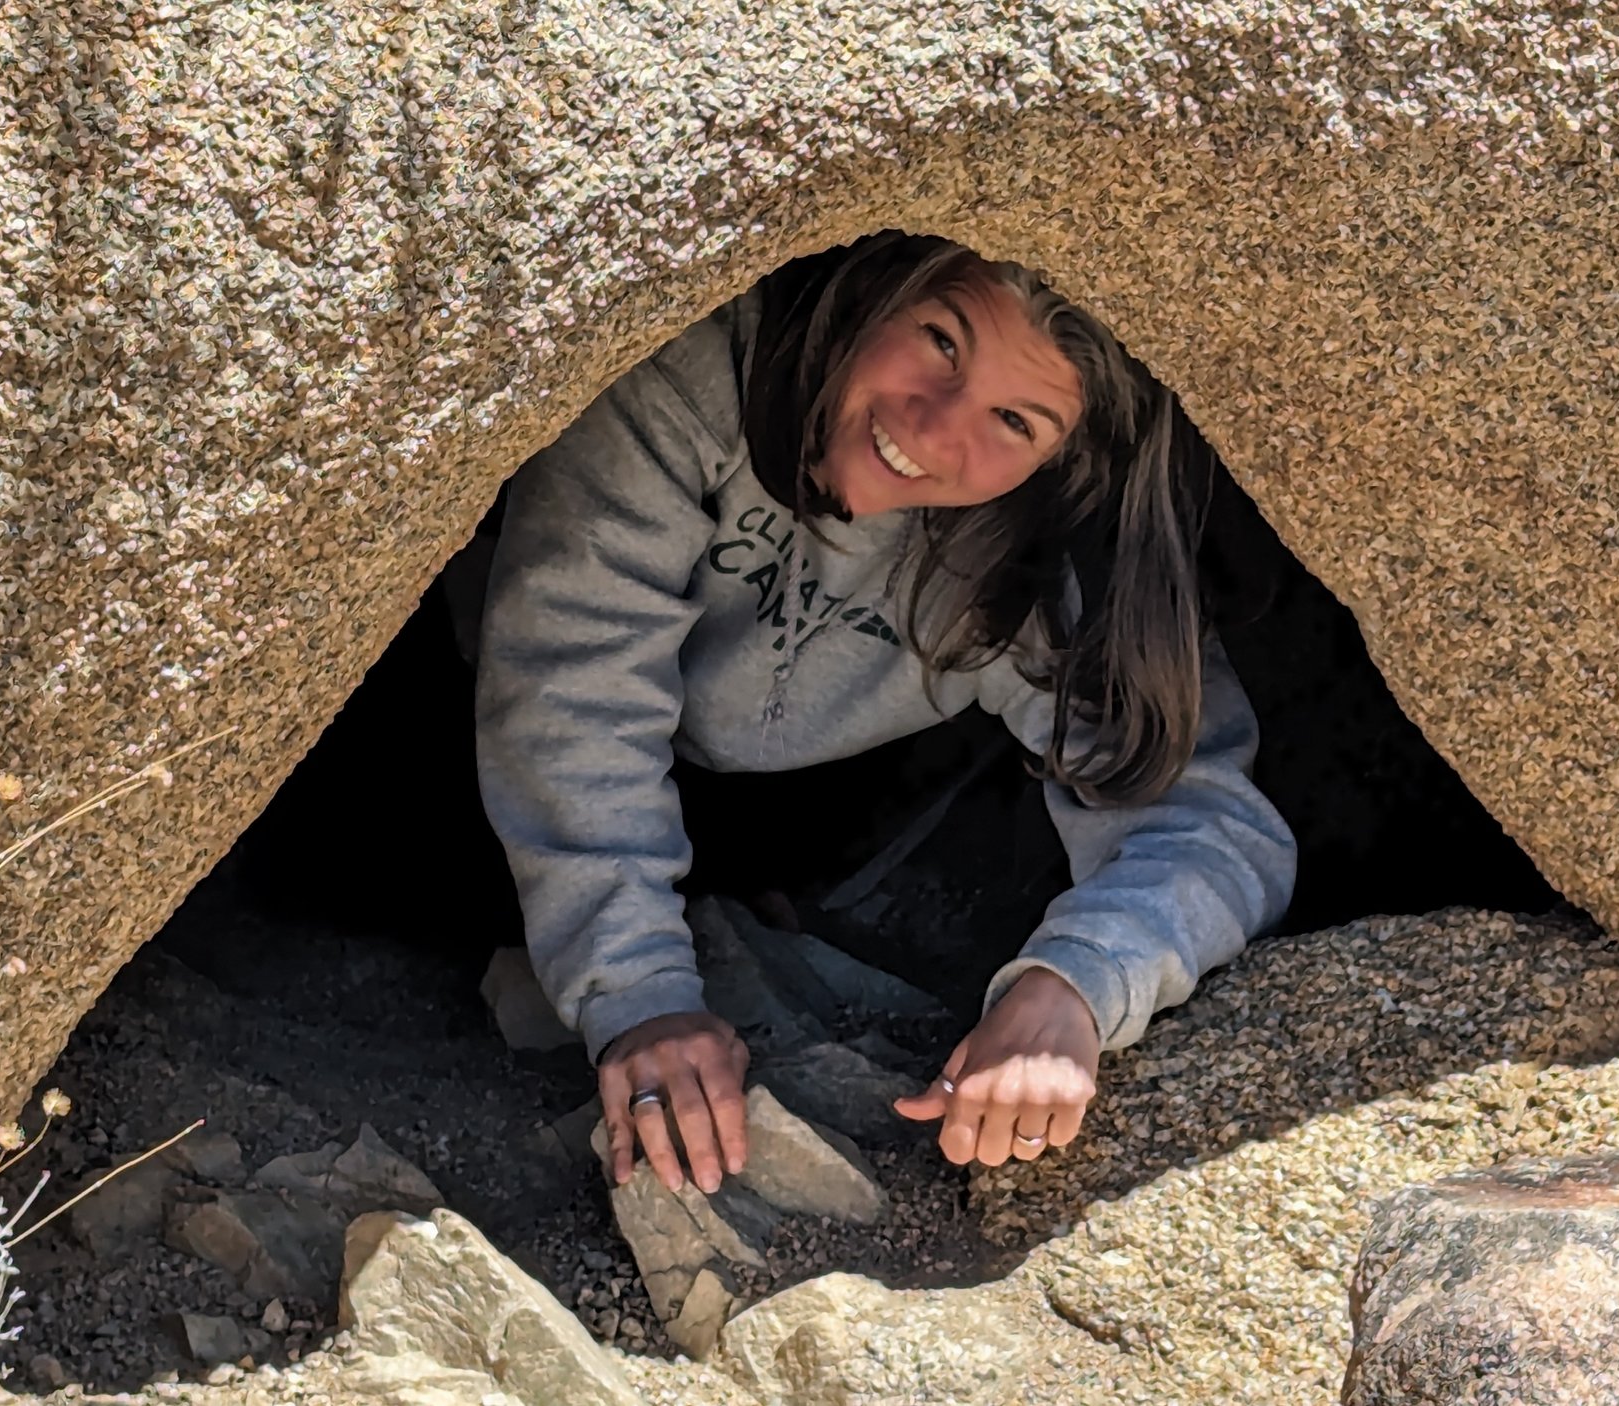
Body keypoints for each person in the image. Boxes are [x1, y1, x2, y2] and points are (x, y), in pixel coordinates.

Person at [474, 231, 1296, 1199]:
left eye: (1015, 421)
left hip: (796, 805)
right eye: (943, 342)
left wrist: (1074, 984)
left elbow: (1212, 820)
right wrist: (640, 992)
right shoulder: (696, 371)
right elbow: (570, 681)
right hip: (465, 755)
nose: (936, 425)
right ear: (882, 280)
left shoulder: (1029, 550)